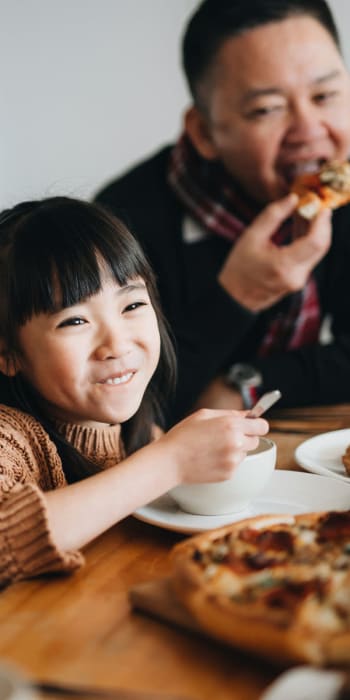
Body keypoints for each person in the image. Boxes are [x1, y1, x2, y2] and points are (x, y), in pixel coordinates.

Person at [95, 0, 350, 425]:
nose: (308, 130)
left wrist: (243, 384)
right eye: (268, 108)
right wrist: (238, 296)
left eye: (324, 95)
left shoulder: (339, 192)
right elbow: (118, 407)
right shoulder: (124, 222)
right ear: (205, 132)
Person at [0, 196, 267, 587]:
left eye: (132, 305)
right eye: (75, 320)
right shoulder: (11, 440)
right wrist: (169, 461)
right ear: (7, 354)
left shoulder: (137, 432)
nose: (118, 344)